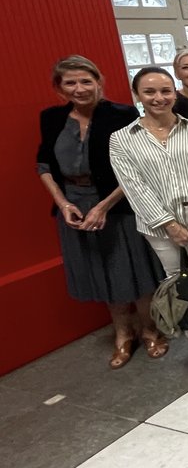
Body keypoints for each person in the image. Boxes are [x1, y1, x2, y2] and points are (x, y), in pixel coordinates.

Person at [38, 56, 166, 368]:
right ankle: (123, 334)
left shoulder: (122, 114)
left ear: (99, 81)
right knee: (102, 272)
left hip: (120, 203)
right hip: (75, 205)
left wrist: (103, 206)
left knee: (135, 270)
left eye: (85, 81)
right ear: (60, 87)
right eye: (70, 82)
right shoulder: (51, 118)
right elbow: (44, 165)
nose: (79, 88)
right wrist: (64, 203)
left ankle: (149, 330)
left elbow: (138, 166)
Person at [109, 67, 188, 369]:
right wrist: (169, 225)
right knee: (176, 281)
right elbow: (133, 186)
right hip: (159, 222)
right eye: (150, 91)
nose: (159, 97)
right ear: (137, 95)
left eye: (165, 90)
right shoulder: (122, 139)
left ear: (174, 92)